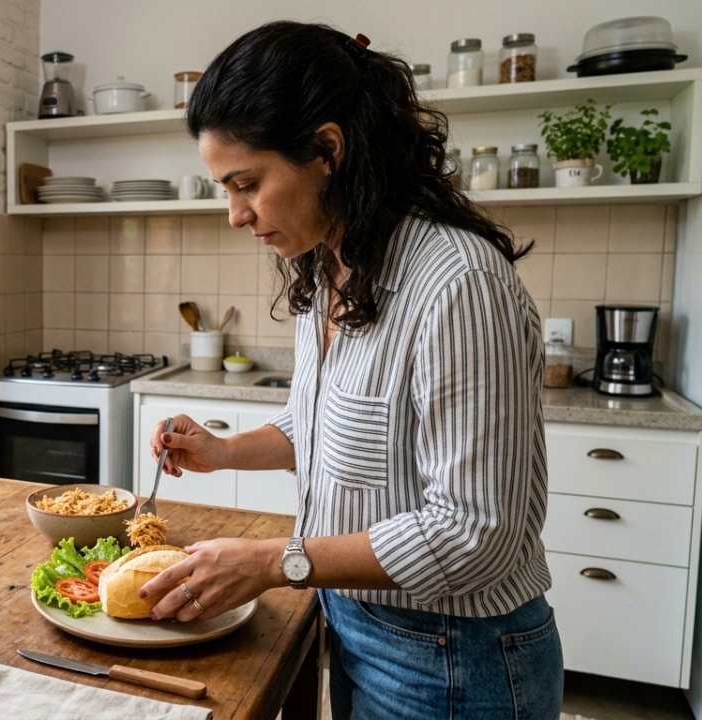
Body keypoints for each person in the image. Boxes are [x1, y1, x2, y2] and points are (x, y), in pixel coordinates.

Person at [137, 21, 563, 719]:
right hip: (360, 626)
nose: (235, 215)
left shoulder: (457, 283)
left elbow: (474, 535)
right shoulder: (329, 270)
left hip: (456, 659)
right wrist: (224, 451)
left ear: (327, 150)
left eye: (247, 183)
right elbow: (328, 427)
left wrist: (273, 561)